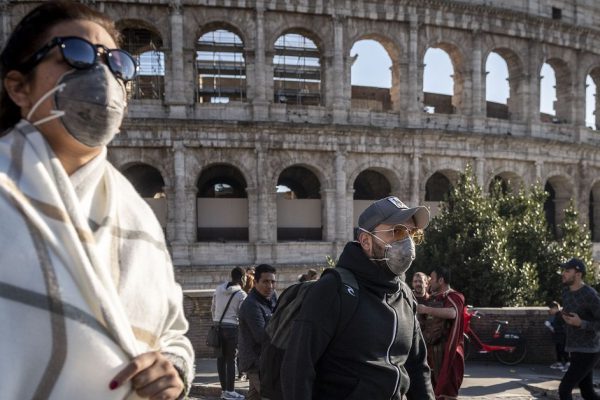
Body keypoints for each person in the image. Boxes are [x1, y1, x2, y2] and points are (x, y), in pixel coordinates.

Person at [0, 2, 194, 400]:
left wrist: (173, 370)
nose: (103, 75)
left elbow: (174, 333)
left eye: (117, 63)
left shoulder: (139, 217)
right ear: (19, 86)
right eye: (77, 53)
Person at [280, 196, 434, 399]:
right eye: (397, 232)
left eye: (412, 233)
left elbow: (417, 369)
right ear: (366, 241)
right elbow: (297, 370)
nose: (407, 242)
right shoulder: (333, 289)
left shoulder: (404, 295)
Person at [417, 266, 465, 400]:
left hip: (448, 353)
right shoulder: (432, 299)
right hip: (431, 352)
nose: (429, 280)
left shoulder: (455, 296)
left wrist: (427, 309)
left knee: (447, 394)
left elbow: (452, 313)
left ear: (441, 280)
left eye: (432, 278)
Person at [558, 258, 600, 400]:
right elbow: (571, 314)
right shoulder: (565, 293)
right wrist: (564, 316)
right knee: (588, 392)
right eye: (563, 270)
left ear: (578, 274)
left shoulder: (590, 294)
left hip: (589, 351)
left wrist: (581, 323)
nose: (563, 273)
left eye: (567, 271)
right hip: (574, 349)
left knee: (564, 389)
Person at [238, 263, 277, 400]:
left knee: (254, 396)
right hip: (256, 361)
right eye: (265, 282)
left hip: (267, 359)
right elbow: (262, 336)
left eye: (273, 282)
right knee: (270, 395)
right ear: (255, 282)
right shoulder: (251, 304)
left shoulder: (272, 297)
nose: (270, 286)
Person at [212, 267, 248, 400]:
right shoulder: (241, 294)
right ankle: (231, 391)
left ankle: (224, 391)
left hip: (217, 326)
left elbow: (213, 307)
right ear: (242, 278)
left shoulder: (218, 289)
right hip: (232, 328)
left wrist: (217, 321)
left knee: (220, 359)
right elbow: (242, 315)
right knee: (230, 360)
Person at [545, 301, 569, 371]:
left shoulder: (561, 315)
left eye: (551, 309)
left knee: (563, 350)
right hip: (558, 336)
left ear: (555, 308)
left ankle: (567, 364)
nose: (550, 311)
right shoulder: (556, 315)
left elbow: (563, 327)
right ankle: (560, 363)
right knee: (558, 349)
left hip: (562, 336)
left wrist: (551, 327)